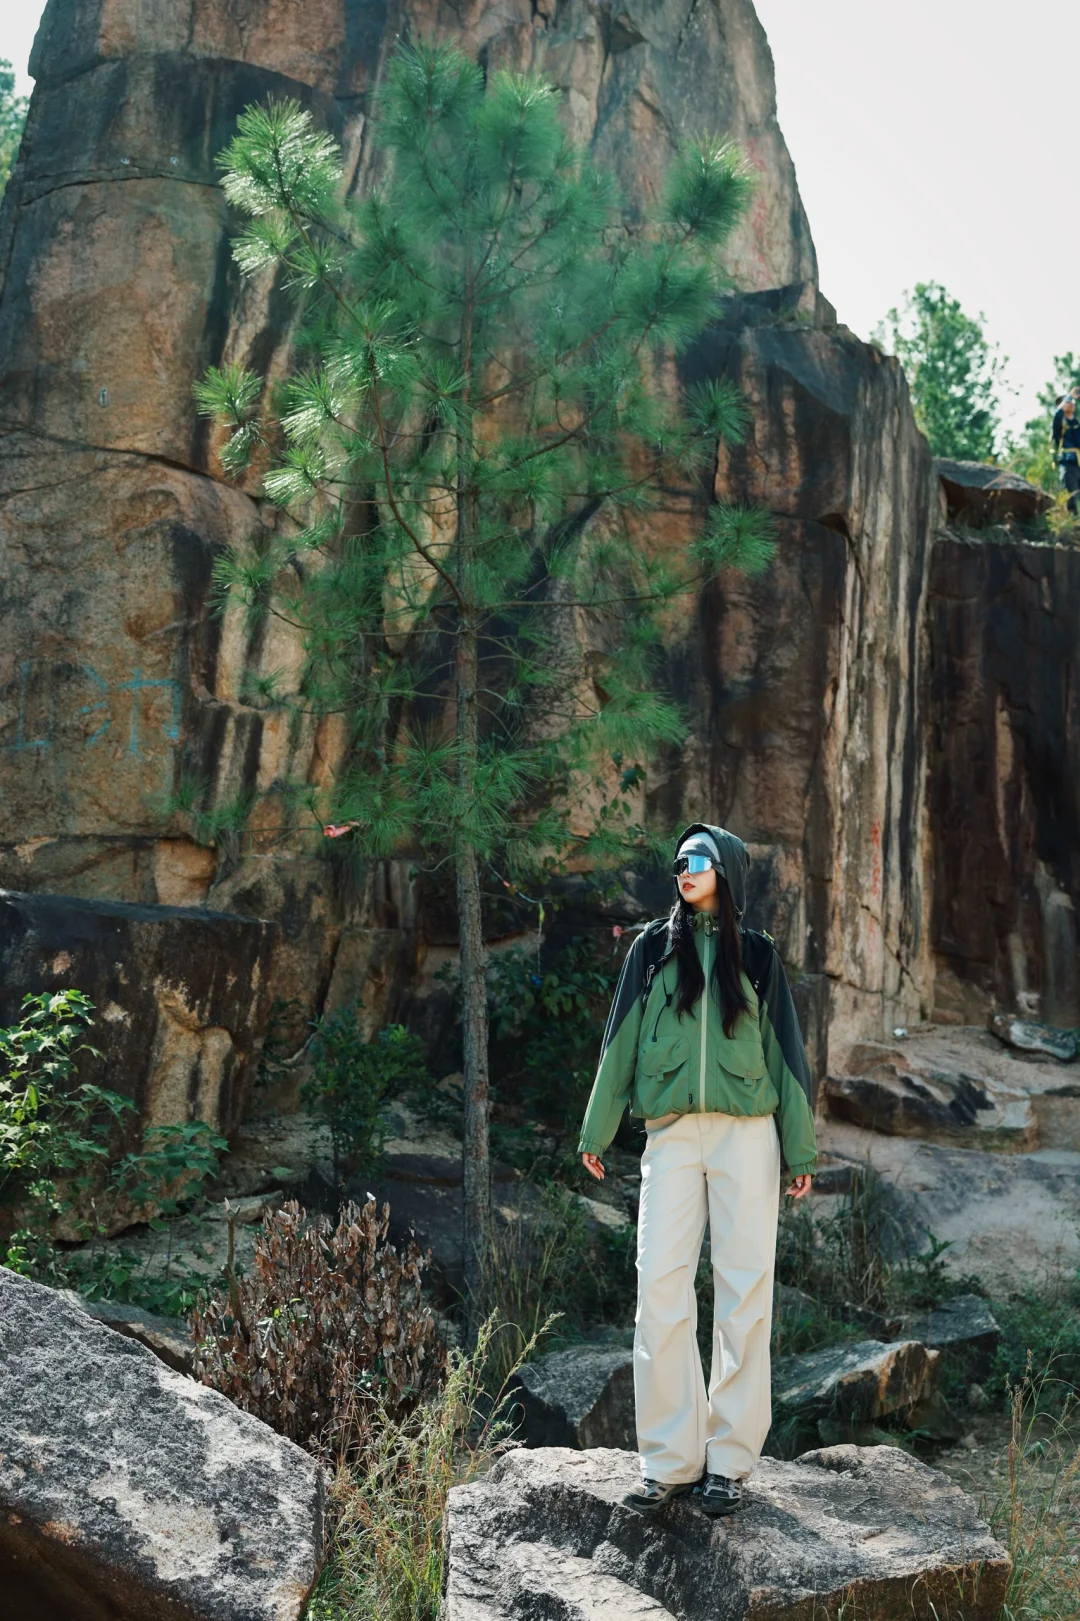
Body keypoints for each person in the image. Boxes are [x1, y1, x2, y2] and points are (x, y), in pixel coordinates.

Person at [578, 823, 818, 1518]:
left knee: (744, 1291)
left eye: (699, 859)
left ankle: (729, 1462)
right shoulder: (652, 949)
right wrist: (598, 1127)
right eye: (679, 860)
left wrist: (799, 1149)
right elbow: (620, 1039)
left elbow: (786, 1055)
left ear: (728, 872)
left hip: (748, 1137)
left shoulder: (759, 955)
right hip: (672, 1136)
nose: (684, 869)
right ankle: (669, 1461)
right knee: (659, 1286)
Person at [1052, 393, 1080, 516]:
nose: (1071, 403)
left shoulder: (1076, 423)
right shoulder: (1059, 423)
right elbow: (1057, 415)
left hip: (1079, 463)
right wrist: (1070, 395)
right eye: (1067, 401)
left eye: (1072, 401)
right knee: (1070, 496)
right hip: (1068, 464)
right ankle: (1071, 522)